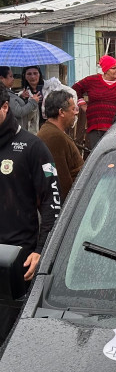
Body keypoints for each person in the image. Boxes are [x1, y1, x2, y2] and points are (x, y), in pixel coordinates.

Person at [0, 84, 61, 342]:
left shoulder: (31, 146)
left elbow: (52, 201)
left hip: (16, 262)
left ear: (4, 107)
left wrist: (42, 250)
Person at [71, 55, 116, 150]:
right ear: (105, 70)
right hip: (95, 127)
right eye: (113, 68)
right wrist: (82, 104)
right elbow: (75, 90)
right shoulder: (91, 81)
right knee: (97, 154)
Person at [37, 90, 84, 203]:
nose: (76, 113)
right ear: (61, 112)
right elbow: (60, 180)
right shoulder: (53, 137)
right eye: (73, 109)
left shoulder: (54, 133)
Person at [20, 65, 45, 132]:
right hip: (32, 130)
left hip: (48, 127)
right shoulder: (22, 94)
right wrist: (24, 99)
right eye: (29, 74)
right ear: (24, 76)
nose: (33, 77)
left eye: (35, 73)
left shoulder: (48, 89)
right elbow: (25, 117)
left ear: (39, 74)